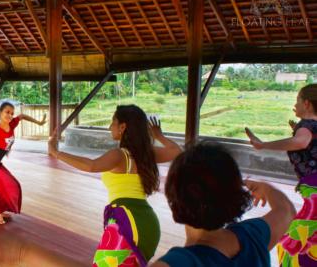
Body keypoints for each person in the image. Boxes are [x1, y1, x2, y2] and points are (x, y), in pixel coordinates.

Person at [49, 105, 182, 267]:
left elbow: (91, 166)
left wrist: (55, 152)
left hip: (128, 221)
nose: (110, 127)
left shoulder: (120, 155)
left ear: (122, 127)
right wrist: (158, 135)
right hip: (149, 224)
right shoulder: (147, 154)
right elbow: (176, 151)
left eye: (113, 122)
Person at [150, 142, 295, 267]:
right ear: (235, 195)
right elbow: (286, 209)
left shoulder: (179, 262)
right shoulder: (253, 235)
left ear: (173, 198)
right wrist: (267, 189)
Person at [245, 83, 317, 266]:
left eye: (298, 100)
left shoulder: (307, 125)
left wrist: (263, 145)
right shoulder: (310, 125)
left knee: (294, 240)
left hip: (314, 186)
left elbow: (301, 142)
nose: (295, 104)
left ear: (307, 104)